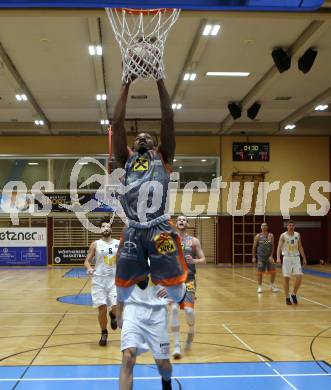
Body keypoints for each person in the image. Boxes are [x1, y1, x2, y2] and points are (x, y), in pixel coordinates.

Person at [112, 77, 187, 304]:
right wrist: (125, 84)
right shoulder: (125, 159)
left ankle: (156, 277)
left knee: (176, 291)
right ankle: (140, 277)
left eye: (147, 137)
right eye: (138, 138)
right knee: (121, 291)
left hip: (159, 227)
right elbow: (116, 124)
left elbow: (168, 117)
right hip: (134, 229)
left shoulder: (163, 157)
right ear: (132, 146)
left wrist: (160, 80)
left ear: (155, 144)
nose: (142, 138)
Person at [118, 281, 173, 390]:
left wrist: (173, 289)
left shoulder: (168, 262)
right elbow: (120, 282)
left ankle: (166, 381)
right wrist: (118, 314)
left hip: (157, 313)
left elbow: (180, 278)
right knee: (128, 357)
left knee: (164, 366)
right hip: (132, 310)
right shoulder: (126, 263)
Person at [171, 215, 206, 359]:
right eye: (179, 219)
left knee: (189, 310)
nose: (181, 221)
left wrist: (194, 260)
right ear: (176, 223)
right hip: (174, 281)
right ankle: (176, 345)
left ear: (187, 223)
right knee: (173, 309)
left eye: (184, 220)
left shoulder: (194, 241)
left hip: (189, 280)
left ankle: (191, 329)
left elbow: (203, 260)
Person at [84, 217, 120, 346]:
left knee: (116, 307)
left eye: (108, 226)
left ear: (111, 229)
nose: (106, 228)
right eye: (103, 226)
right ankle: (104, 332)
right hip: (99, 280)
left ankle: (113, 315)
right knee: (102, 309)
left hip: (114, 280)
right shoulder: (95, 244)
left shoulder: (118, 243)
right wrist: (89, 268)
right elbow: (87, 260)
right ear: (100, 229)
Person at [277, 220, 307, 305]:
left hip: (296, 258)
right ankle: (287, 297)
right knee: (286, 278)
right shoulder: (283, 235)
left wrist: (304, 258)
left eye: (292, 225)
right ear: (287, 226)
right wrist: (278, 258)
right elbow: (279, 247)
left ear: (294, 227)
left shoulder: (297, 235)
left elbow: (300, 247)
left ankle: (293, 294)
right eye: (289, 225)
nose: (291, 227)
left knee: (299, 277)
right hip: (286, 258)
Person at [252, 222, 279, 294]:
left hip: (269, 257)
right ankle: (260, 287)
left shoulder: (271, 235)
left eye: (265, 226)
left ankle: (272, 285)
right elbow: (254, 247)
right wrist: (253, 257)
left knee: (273, 271)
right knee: (260, 272)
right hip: (261, 257)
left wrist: (271, 256)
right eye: (262, 226)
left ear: (267, 227)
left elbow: (272, 246)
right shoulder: (258, 236)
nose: (264, 227)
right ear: (261, 228)